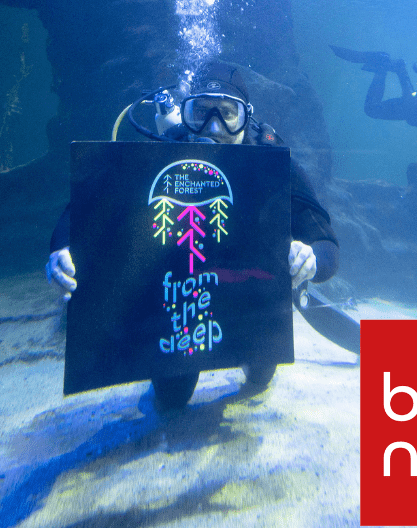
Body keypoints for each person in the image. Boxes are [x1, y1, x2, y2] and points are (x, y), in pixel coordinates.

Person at [46, 63, 340, 407]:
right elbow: (87, 207)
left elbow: (324, 240)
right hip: (183, 294)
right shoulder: (164, 152)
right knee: (171, 398)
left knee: (259, 376)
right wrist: (62, 249)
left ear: (246, 118)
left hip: (249, 290)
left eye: (227, 114)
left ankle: (255, 358)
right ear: (185, 115)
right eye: (200, 112)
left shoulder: (272, 159)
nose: (213, 127)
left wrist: (311, 260)